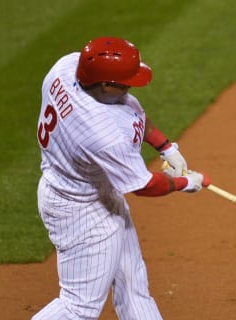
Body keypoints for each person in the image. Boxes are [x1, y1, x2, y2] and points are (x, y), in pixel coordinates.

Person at [33, 36, 206, 319]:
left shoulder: (66, 68)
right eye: (125, 81)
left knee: (132, 282)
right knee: (79, 307)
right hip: (81, 212)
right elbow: (145, 186)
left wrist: (165, 147)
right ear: (104, 84)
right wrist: (186, 183)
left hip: (89, 188)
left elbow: (130, 107)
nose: (130, 86)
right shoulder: (103, 133)